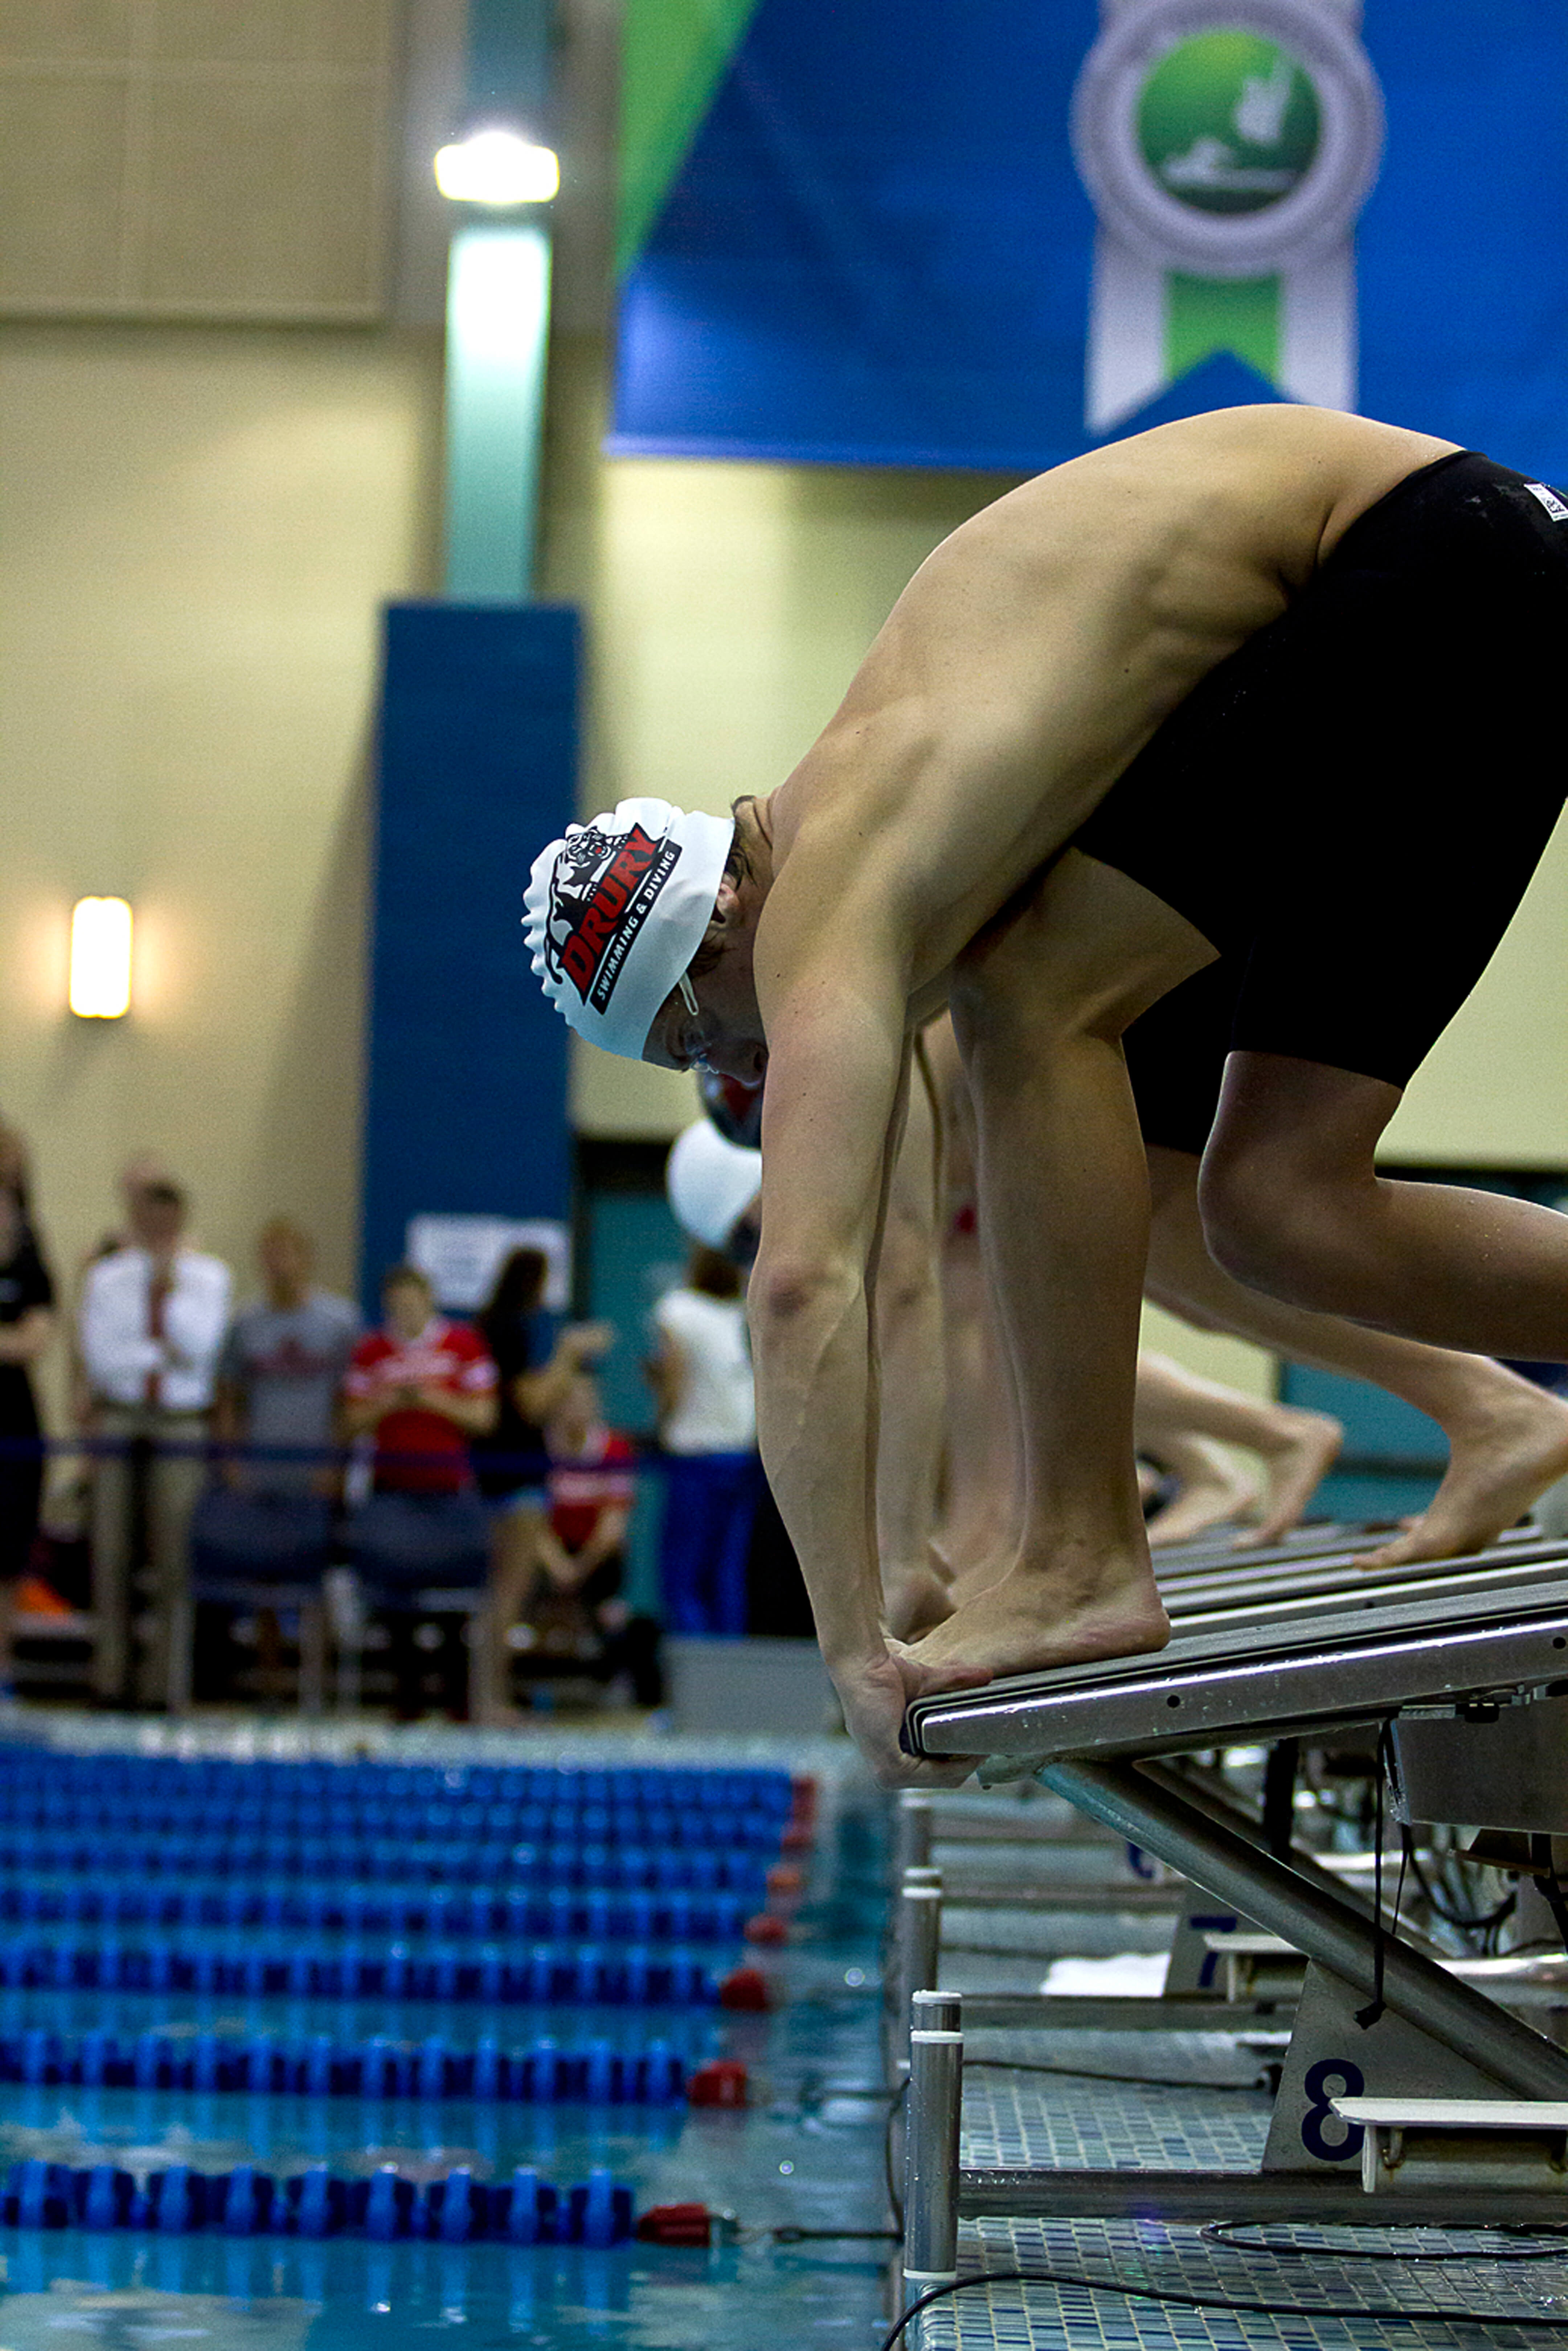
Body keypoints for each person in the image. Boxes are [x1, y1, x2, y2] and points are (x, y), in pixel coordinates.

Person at [525, 406, 1568, 1783]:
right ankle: (1494, 1415)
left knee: (1029, 1002)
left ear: (717, 927)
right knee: (1258, 1206)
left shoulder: (827, 888)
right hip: (1454, 584)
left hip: (1425, 565)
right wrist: (897, 1555)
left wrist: (846, 1654)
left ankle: (1079, 1549)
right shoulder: (916, 828)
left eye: (692, 1039)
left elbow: (809, 1282)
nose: (730, 1074)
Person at [78, 1180, 231, 1706]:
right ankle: (110, 1675)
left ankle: (163, 1681)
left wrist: (169, 1298)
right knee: (111, 1550)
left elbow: (199, 1350)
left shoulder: (208, 1277)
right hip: (121, 1415)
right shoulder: (107, 1276)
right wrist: (156, 1353)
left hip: (180, 1419)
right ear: (136, 1216)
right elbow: (102, 1358)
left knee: (174, 1554)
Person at [341, 1265, 498, 1719]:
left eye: (414, 1303)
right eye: (397, 1305)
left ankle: (457, 1699)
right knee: (397, 1598)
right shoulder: (371, 1351)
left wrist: (430, 1399)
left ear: (430, 1299)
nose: (406, 1312)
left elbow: (484, 1418)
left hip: (449, 1489)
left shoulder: (462, 1345)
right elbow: (349, 1421)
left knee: (454, 1598)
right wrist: (391, 1401)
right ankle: (405, 1698)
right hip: (392, 1489)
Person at [470, 1246, 613, 1723]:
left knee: (497, 1593)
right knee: (509, 1592)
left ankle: (487, 1695)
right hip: (517, 1474)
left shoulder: (490, 1327)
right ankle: (491, 1698)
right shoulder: (517, 1330)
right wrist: (570, 1354)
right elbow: (533, 1404)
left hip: (489, 1469)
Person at [508, 1374, 662, 1709]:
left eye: (584, 1401)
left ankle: (616, 1681)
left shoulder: (615, 1448)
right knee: (517, 1573)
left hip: (594, 1558)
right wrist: (558, 1567)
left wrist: (578, 1569)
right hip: (548, 1554)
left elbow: (612, 1527)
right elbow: (532, 1521)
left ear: (597, 1406)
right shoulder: (540, 1448)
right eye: (568, 1401)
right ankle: (516, 1684)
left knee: (611, 1586)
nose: (576, 1410)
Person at [646, 1244, 758, 1634]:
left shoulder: (677, 1310)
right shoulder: (744, 1311)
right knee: (727, 1569)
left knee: (684, 1570)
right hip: (740, 1454)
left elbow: (674, 1378)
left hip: (697, 1457)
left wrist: (661, 1421)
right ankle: (727, 1671)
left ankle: (692, 1674)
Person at [213, 1220, 359, 1493]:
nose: (278, 1266)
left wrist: (337, 1464)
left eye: (286, 1255)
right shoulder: (245, 1323)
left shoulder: (340, 1322)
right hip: (258, 1466)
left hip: (316, 1466)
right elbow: (229, 1398)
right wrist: (231, 1464)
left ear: (306, 1259)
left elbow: (349, 1403)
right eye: (270, 1257)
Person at [0, 1184, 56, 1698]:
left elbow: (33, 1341)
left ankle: (3, 1667)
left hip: (15, 1429)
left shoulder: (30, 1274)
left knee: (8, 1555)